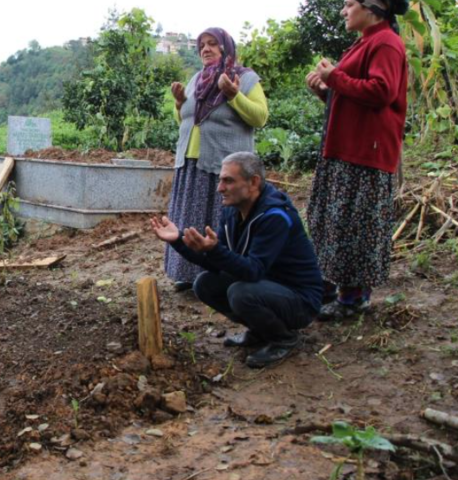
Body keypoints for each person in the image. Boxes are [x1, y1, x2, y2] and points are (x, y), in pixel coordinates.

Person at [151, 153, 323, 368]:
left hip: (300, 301)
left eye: (228, 181)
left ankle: (283, 338)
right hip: (268, 287)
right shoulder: (233, 212)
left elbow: (253, 271)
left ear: (253, 182)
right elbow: (219, 264)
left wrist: (215, 250)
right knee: (205, 284)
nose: (219, 188)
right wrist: (178, 240)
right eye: (220, 180)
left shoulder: (275, 217)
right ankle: (260, 331)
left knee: (240, 293)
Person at [305, 0, 409, 320]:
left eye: (349, 3)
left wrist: (334, 77)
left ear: (372, 7)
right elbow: (355, 97)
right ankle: (330, 289)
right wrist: (325, 90)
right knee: (335, 221)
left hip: (365, 152)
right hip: (347, 148)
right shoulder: (365, 42)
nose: (344, 10)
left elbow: (382, 91)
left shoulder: (385, 43)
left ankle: (352, 299)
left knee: (355, 226)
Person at [164, 28, 268, 292]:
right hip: (190, 164)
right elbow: (186, 120)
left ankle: (219, 277)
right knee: (189, 218)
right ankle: (186, 274)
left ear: (226, 48)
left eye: (212, 44)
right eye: (202, 45)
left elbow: (260, 118)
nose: (206, 49)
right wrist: (179, 104)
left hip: (224, 166)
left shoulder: (245, 78)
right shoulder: (196, 79)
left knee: (218, 222)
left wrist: (234, 95)